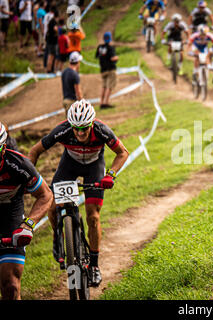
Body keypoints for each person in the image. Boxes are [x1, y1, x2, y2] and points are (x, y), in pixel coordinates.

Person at [28, 100, 129, 287]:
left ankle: (94, 266)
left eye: (84, 128)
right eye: (76, 128)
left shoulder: (102, 130)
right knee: (51, 206)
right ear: (70, 125)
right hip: (69, 165)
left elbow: (122, 153)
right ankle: (58, 237)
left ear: (91, 124)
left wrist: (111, 175)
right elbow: (35, 151)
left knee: (93, 217)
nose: (80, 133)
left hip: (94, 167)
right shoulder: (62, 130)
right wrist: (28, 178)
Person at [0, 122, 53, 300]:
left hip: (10, 215)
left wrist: (28, 225)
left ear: (3, 148)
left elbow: (45, 195)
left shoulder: (18, 164)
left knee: (11, 286)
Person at [95, 31, 119, 109]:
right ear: (110, 38)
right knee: (109, 86)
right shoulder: (110, 48)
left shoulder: (100, 47)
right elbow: (112, 58)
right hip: (110, 69)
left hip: (103, 70)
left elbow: (97, 56)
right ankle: (106, 102)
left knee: (104, 87)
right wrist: (116, 58)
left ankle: (101, 102)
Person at [45, 8, 58, 73]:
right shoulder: (54, 21)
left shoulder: (51, 21)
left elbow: (48, 27)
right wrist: (59, 32)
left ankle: (49, 69)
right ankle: (50, 69)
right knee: (52, 55)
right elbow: (55, 29)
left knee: (50, 55)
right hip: (53, 41)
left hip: (49, 40)